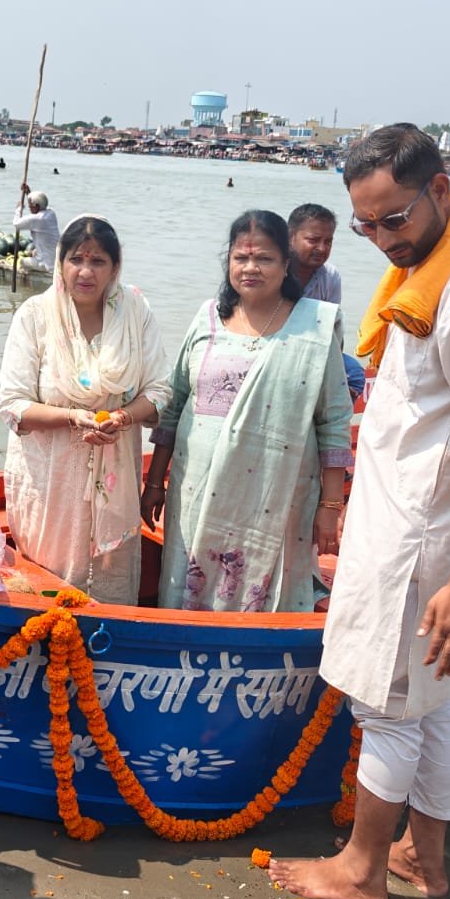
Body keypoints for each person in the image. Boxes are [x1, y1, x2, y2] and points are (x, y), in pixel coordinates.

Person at [269, 124, 450, 899]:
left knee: (386, 706)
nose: (383, 239)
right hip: (407, 525)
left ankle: (362, 869)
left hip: (424, 543)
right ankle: (425, 857)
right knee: (433, 703)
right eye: (367, 224)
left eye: (396, 220)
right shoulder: (433, 274)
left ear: (442, 192)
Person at [141, 210, 352, 612]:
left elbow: (334, 421)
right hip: (196, 491)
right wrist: (154, 483)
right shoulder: (207, 317)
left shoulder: (315, 327)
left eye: (264, 259)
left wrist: (330, 506)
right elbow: (175, 407)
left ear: (286, 264)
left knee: (266, 597)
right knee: (189, 590)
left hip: (277, 499)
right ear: (229, 262)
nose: (251, 268)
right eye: (241, 258)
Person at [0, 215, 170, 603]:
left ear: (115, 267)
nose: (86, 272)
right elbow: (13, 405)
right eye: (77, 259)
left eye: (98, 262)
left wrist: (125, 416)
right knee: (50, 588)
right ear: (61, 262)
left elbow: (160, 391)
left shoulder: (136, 312)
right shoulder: (35, 316)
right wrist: (73, 418)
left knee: (111, 588)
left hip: (117, 475)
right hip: (50, 479)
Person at [288, 203, 342, 304]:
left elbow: (332, 318)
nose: (322, 249)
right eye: (313, 240)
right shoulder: (274, 274)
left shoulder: (330, 277)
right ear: (290, 238)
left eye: (328, 242)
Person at [15, 185, 60, 272]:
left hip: (47, 265)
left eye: (30, 206)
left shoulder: (38, 219)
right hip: (56, 261)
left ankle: (27, 280)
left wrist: (18, 209)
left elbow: (16, 224)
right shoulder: (50, 213)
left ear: (37, 206)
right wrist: (28, 193)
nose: (29, 207)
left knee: (22, 262)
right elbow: (37, 203)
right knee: (33, 252)